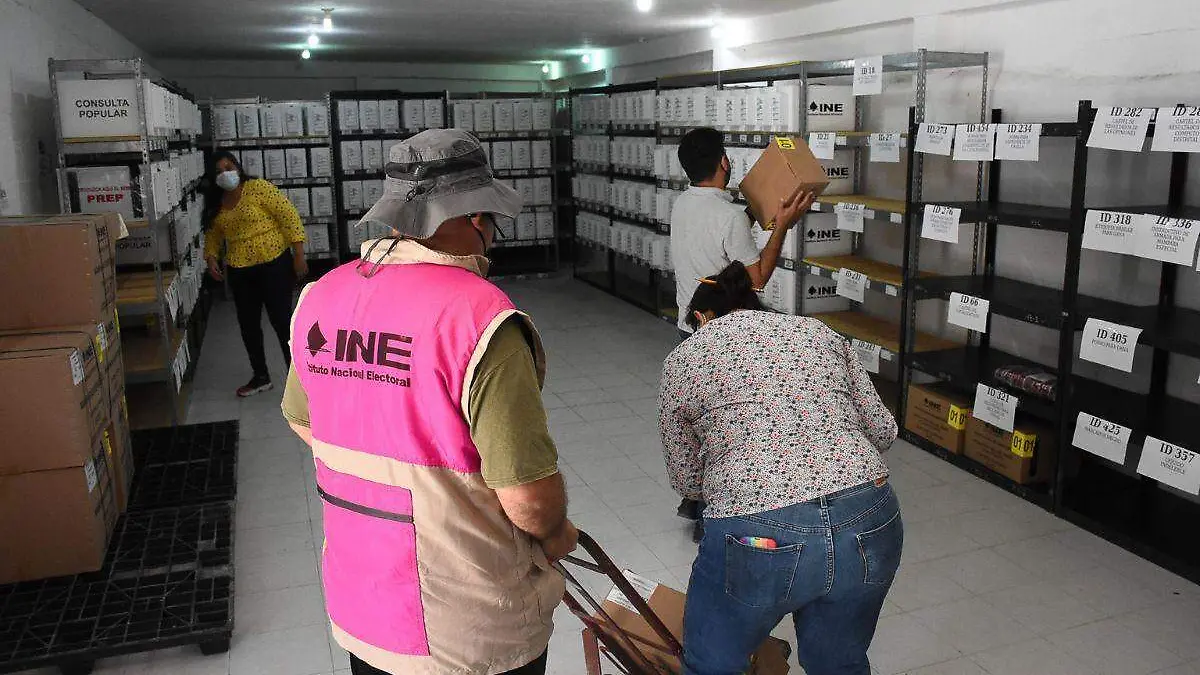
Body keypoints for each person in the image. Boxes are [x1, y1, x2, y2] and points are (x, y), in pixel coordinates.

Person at [280, 129, 576, 675]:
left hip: (367, 602)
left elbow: (303, 419)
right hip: (467, 625)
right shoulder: (480, 319)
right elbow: (528, 499)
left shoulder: (322, 296)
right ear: (477, 216)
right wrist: (559, 535)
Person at [659, 262, 902, 675]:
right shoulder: (818, 332)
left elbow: (686, 480)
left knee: (712, 664)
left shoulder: (684, 359)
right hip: (869, 513)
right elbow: (882, 430)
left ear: (701, 317)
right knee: (839, 664)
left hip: (757, 530)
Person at [669, 127, 816, 539]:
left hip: (690, 329)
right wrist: (781, 225)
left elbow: (722, 231)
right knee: (729, 429)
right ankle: (714, 519)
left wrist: (755, 209)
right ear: (723, 162)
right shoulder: (729, 216)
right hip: (725, 341)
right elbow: (757, 279)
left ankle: (695, 502)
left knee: (702, 422)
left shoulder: (684, 203)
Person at [203, 150, 307, 397]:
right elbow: (213, 233)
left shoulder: (258, 188)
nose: (225, 174)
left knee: (282, 322)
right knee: (248, 325)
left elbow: (288, 216)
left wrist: (299, 254)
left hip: (274, 264)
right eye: (219, 172)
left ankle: (300, 380)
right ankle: (261, 376)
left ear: (238, 167)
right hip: (240, 271)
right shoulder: (216, 203)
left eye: (229, 168)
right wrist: (211, 257)